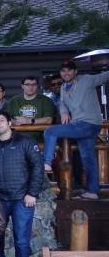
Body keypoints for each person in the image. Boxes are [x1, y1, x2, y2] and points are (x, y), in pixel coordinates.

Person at [0, 112, 46, 257]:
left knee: (21, 239)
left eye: (1, 121)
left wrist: (32, 193)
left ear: (9, 122)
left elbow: (37, 167)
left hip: (22, 198)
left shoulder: (25, 142)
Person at [43, 60, 109, 199]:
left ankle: (47, 163)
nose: (66, 73)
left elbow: (105, 76)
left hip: (88, 123)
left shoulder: (87, 80)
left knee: (50, 131)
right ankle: (92, 191)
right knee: (88, 159)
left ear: (75, 71)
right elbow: (62, 102)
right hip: (80, 125)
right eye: (63, 71)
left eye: (69, 70)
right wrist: (64, 112)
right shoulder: (63, 87)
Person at [6, 76, 56, 142]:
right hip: (17, 139)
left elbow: (49, 120)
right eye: (27, 84)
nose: (31, 87)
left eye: (34, 84)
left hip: (40, 140)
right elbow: (5, 118)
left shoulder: (46, 101)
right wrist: (14, 121)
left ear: (37, 86)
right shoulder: (14, 101)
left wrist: (29, 121)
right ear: (22, 86)